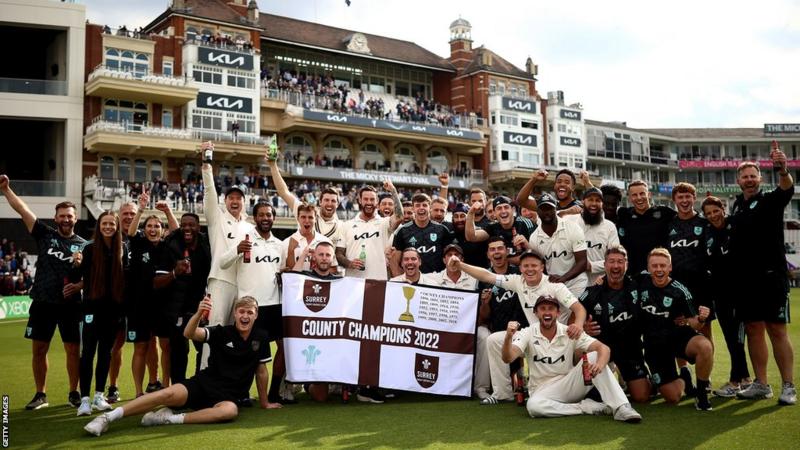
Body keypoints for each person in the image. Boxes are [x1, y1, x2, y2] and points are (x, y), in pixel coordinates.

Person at [83, 297, 280, 437]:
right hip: (203, 384)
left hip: (228, 396)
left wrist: (264, 402)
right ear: (235, 314)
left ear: (256, 315)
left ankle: (169, 419)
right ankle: (107, 418)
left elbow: (261, 371)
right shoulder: (222, 332)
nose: (245, 316)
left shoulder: (261, 338)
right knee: (164, 395)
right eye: (241, 312)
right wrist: (198, 313)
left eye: (250, 312)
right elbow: (189, 333)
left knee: (230, 412)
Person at [451, 250, 586, 404]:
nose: (530, 269)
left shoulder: (555, 286)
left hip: (557, 338)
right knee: (494, 340)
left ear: (542, 267)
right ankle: (502, 393)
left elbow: (579, 309)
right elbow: (486, 276)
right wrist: (460, 265)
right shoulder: (517, 281)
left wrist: (578, 325)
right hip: (532, 335)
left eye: (534, 265)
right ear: (520, 268)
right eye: (525, 266)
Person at [1, 175, 85, 410]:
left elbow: (94, 277)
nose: (66, 219)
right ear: (56, 218)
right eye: (62, 215)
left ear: (75, 218)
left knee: (72, 350)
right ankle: (41, 395)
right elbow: (23, 209)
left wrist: (80, 285)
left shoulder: (85, 245)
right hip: (42, 303)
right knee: (39, 349)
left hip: (70, 305)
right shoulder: (45, 234)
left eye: (70, 215)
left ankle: (74, 392)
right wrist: (7, 190)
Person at [501, 295, 641, 422]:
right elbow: (508, 358)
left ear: (558, 312)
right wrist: (508, 337)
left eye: (551, 308)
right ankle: (585, 407)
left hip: (569, 384)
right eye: (542, 309)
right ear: (536, 313)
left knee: (593, 356)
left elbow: (604, 348)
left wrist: (599, 364)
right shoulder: (528, 332)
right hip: (542, 390)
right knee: (533, 406)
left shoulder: (569, 331)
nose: (547, 312)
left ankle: (622, 407)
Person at [729, 147, 796, 405]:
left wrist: (782, 169)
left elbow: (787, 188)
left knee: (777, 331)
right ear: (738, 180)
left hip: (771, 278)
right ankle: (762, 384)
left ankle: (788, 385)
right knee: (754, 330)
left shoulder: (770, 199)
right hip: (746, 282)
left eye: (752, 175)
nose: (748, 179)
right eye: (744, 176)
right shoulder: (737, 206)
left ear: (760, 178)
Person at [219, 202, 286, 404]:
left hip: (275, 304)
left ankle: (275, 391)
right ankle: (242, 394)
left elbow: (282, 272)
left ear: (274, 218)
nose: (266, 218)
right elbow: (222, 263)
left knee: (283, 349)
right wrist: (237, 250)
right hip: (252, 308)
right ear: (255, 217)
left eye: (269, 215)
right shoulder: (245, 238)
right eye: (262, 215)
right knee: (250, 354)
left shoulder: (279, 244)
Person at [637, 248, 714, 410]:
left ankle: (701, 395)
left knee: (705, 346)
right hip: (654, 345)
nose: (659, 269)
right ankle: (683, 378)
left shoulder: (679, 290)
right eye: (655, 266)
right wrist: (601, 279)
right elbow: (619, 280)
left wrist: (700, 318)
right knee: (673, 397)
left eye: (663, 266)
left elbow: (694, 323)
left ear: (670, 268)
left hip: (677, 338)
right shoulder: (640, 281)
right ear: (648, 268)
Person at [201, 142, 254, 369]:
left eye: (238, 198)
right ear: (225, 201)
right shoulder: (217, 219)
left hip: (242, 285)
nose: (234, 201)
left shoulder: (249, 227)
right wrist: (206, 163)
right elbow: (209, 191)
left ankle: (229, 382)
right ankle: (205, 376)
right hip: (220, 282)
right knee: (215, 330)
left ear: (244, 202)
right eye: (231, 197)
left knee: (236, 336)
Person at [579, 246, 651, 403]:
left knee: (642, 397)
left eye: (620, 261)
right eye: (611, 261)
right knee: (594, 397)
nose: (616, 266)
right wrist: (583, 327)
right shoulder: (592, 292)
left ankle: (640, 378)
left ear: (627, 264)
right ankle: (609, 377)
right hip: (602, 350)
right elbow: (575, 314)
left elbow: (659, 276)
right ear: (604, 265)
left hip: (630, 349)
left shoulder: (637, 285)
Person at [125, 192, 178, 399]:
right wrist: (141, 209)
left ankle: (166, 386)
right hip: (140, 306)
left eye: (157, 226)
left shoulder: (167, 245)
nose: (153, 229)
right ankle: (138, 392)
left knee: (166, 346)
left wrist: (167, 211)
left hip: (164, 306)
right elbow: (130, 231)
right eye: (149, 226)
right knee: (141, 347)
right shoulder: (138, 243)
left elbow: (177, 231)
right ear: (144, 230)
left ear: (162, 231)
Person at [75, 211, 127, 416]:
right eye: (104, 223)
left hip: (113, 310)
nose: (108, 227)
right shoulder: (88, 248)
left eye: (111, 224)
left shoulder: (121, 248)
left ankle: (98, 396)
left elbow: (125, 280)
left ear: (116, 227)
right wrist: (76, 263)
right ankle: (85, 399)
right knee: (87, 353)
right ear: (99, 226)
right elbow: (75, 276)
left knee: (106, 353)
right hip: (91, 308)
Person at [154, 213, 212, 384]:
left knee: (205, 349)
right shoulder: (171, 246)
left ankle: (198, 385)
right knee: (179, 353)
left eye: (191, 225)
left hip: (200, 310)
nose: (187, 228)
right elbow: (156, 282)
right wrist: (174, 273)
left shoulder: (207, 245)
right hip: (177, 310)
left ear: (198, 227)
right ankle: (179, 391)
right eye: (183, 225)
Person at [702, 196, 751, 397]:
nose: (713, 216)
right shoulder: (708, 232)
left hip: (739, 293)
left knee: (738, 339)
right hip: (719, 294)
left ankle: (734, 381)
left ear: (723, 209)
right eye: (708, 213)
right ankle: (746, 378)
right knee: (731, 338)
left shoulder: (736, 225)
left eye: (716, 210)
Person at [474, 237, 529, 399]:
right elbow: (483, 318)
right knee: (491, 339)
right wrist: (485, 303)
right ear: (488, 255)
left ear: (506, 251)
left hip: (523, 330)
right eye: (492, 249)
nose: (496, 252)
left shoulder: (519, 274)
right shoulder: (483, 279)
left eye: (500, 248)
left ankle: (523, 383)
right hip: (499, 332)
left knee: (524, 379)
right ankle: (502, 394)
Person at [527, 193, 589, 297]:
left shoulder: (573, 228)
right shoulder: (534, 238)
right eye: (543, 209)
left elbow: (582, 262)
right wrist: (550, 280)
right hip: (553, 285)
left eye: (550, 208)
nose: (547, 212)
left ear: (556, 209)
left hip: (576, 283)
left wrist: (563, 278)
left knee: (577, 312)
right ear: (537, 211)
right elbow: (539, 266)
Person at [337, 183, 403, 280]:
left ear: (377, 202)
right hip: (352, 282)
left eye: (372, 199)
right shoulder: (347, 225)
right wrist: (349, 263)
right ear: (359, 200)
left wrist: (393, 190)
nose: (369, 202)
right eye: (365, 199)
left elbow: (400, 216)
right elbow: (338, 253)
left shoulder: (384, 223)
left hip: (378, 281)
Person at [616, 180, 676, 275]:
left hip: (659, 273)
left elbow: (685, 218)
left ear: (649, 194)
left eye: (642, 193)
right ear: (630, 198)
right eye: (634, 195)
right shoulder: (624, 214)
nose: (639, 198)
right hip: (633, 274)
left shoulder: (665, 212)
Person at [390, 193, 453, 275]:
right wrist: (401, 281)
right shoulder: (402, 231)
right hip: (412, 281)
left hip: (436, 281)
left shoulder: (442, 230)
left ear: (429, 208)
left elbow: (449, 258)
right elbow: (395, 262)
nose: (421, 208)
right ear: (413, 209)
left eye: (424, 205)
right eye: (418, 205)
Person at [566, 187, 619, 285]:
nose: (594, 203)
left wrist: (591, 266)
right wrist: (565, 212)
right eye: (590, 200)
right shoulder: (570, 221)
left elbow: (615, 259)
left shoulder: (609, 226)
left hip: (599, 285)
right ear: (583, 201)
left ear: (602, 204)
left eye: (598, 200)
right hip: (573, 284)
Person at [466, 196, 536, 265]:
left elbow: (539, 254)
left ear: (513, 210)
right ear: (494, 213)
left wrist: (527, 245)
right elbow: (471, 237)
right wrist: (470, 213)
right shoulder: (493, 226)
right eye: (499, 208)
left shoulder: (525, 223)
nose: (503, 211)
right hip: (502, 273)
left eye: (506, 207)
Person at [516, 169, 583, 217]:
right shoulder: (548, 204)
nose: (562, 184)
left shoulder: (579, 206)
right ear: (554, 186)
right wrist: (534, 179)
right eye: (559, 182)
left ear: (573, 188)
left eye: (567, 182)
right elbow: (521, 200)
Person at [450, 202, 489, 268]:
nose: (459, 220)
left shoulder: (479, 233)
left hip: (479, 274)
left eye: (462, 216)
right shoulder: (450, 236)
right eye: (456, 216)